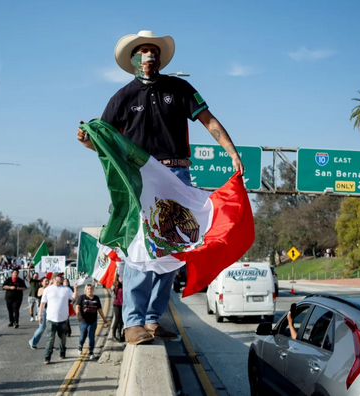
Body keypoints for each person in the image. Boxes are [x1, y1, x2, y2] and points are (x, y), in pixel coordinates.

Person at [77, 30, 244, 345]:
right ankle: (132, 323)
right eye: (143, 50)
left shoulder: (179, 89)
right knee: (141, 249)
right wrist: (87, 141)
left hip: (178, 177)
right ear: (134, 60)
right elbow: (104, 145)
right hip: (143, 181)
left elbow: (209, 120)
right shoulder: (122, 97)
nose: (149, 55)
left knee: (175, 250)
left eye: (154, 50)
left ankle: (153, 318)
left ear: (160, 57)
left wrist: (232, 152)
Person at [39, 273, 77, 364]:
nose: (62, 278)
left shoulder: (66, 289)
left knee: (62, 338)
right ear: (55, 278)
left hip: (63, 319)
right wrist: (39, 315)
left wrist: (76, 289)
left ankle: (62, 352)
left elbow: (74, 297)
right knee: (50, 338)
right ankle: (47, 357)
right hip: (51, 319)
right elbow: (43, 303)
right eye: (60, 276)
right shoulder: (48, 289)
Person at [75, 284, 109, 360]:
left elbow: (99, 309)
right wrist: (79, 315)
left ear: (93, 290)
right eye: (88, 289)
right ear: (85, 290)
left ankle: (91, 352)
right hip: (83, 321)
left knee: (91, 336)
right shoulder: (82, 297)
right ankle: (80, 346)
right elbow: (77, 306)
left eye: (91, 289)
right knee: (83, 336)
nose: (89, 290)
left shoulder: (96, 298)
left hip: (93, 321)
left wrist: (104, 319)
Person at [28, 277, 50, 349]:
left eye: (48, 281)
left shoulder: (50, 289)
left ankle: (50, 344)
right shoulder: (41, 289)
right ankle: (32, 341)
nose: (47, 282)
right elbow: (45, 292)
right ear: (41, 283)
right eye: (45, 281)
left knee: (51, 328)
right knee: (42, 328)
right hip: (42, 309)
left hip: (50, 309)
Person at [112, 274, 124, 342]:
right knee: (117, 319)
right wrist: (116, 273)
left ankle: (119, 335)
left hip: (123, 304)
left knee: (121, 321)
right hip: (117, 304)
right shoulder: (117, 286)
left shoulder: (124, 285)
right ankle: (113, 335)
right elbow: (114, 282)